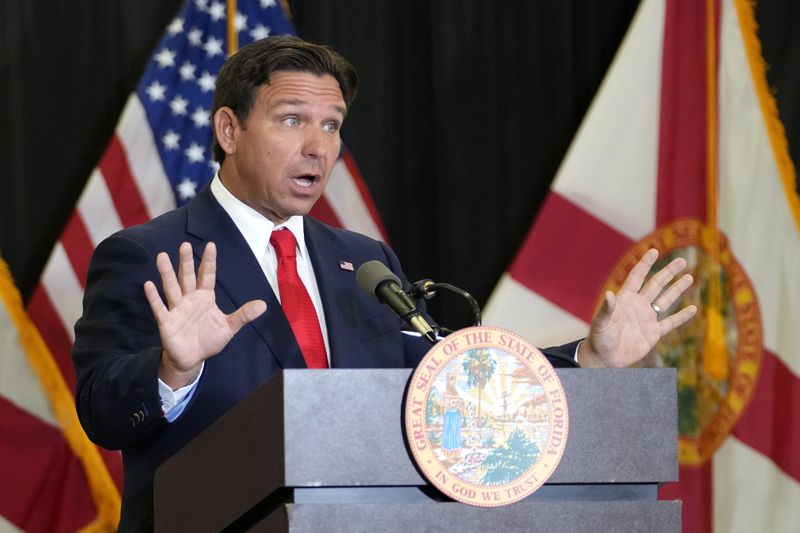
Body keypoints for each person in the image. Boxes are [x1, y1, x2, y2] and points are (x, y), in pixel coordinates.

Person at [71, 36, 696, 532]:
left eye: (333, 125)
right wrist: (171, 370)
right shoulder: (147, 254)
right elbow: (102, 410)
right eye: (292, 121)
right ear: (229, 131)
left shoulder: (363, 262)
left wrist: (591, 358)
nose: (318, 148)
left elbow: (448, 385)